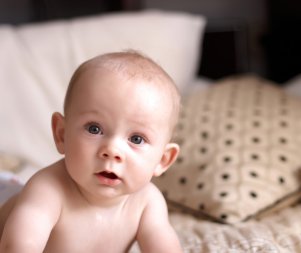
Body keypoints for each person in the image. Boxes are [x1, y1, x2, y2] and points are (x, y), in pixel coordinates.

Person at [0, 51, 182, 252]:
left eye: (136, 139)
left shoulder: (147, 202)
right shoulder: (47, 189)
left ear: (163, 160)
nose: (112, 150)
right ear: (62, 134)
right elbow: (18, 245)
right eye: (94, 129)